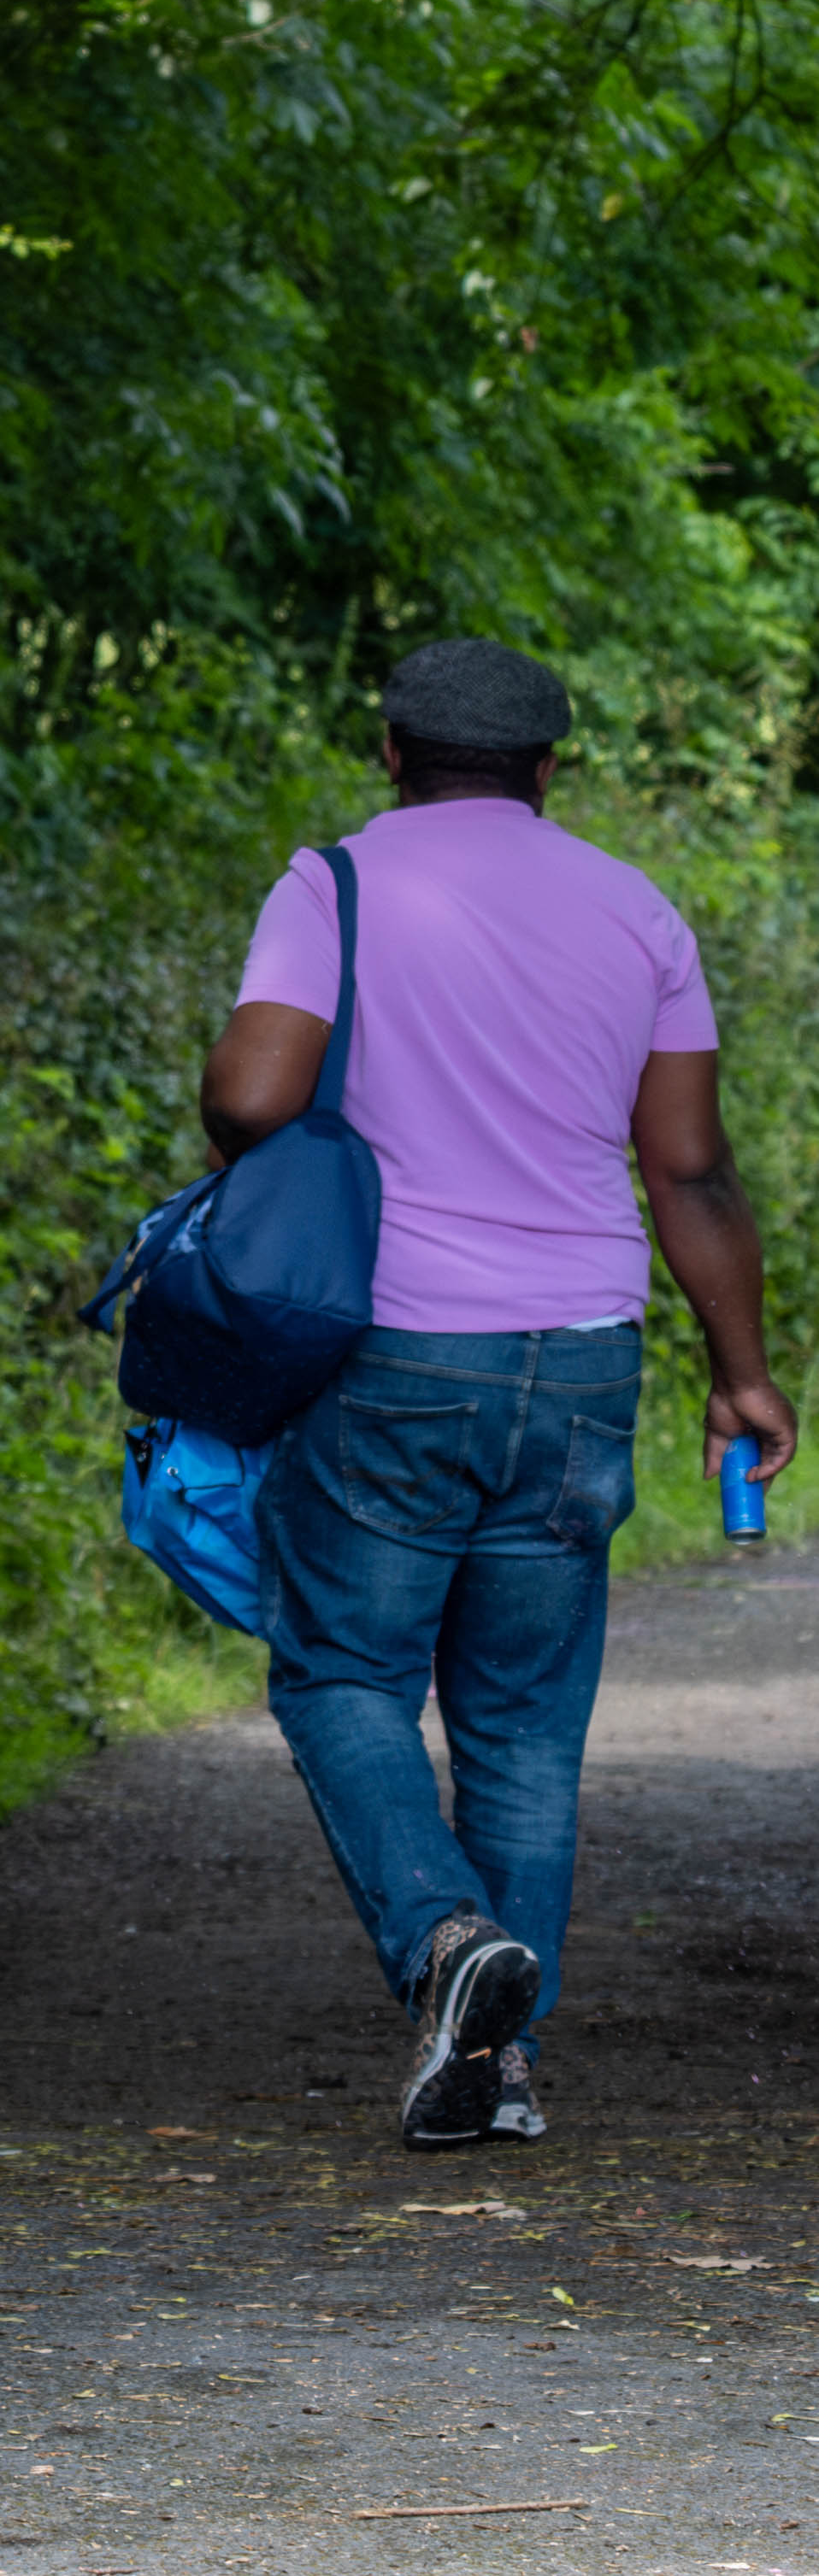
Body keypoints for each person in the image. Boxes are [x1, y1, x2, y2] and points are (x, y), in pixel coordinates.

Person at [201, 636, 795, 2151]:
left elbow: (252, 1097)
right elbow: (689, 1166)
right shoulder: (635, 910)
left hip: (394, 1349)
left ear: (390, 752)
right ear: (548, 770)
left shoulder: (327, 886)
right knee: (525, 1729)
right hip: (584, 1352)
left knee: (341, 1676)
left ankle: (449, 1948)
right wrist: (742, 1374)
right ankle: (500, 2067)